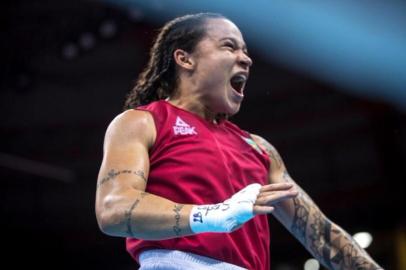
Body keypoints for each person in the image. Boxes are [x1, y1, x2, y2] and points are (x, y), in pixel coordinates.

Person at [95, 13, 383, 270]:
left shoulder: (259, 149)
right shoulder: (142, 122)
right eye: (229, 46)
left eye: (245, 50)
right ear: (185, 59)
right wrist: (213, 215)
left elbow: (319, 235)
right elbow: (114, 210)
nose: (246, 58)